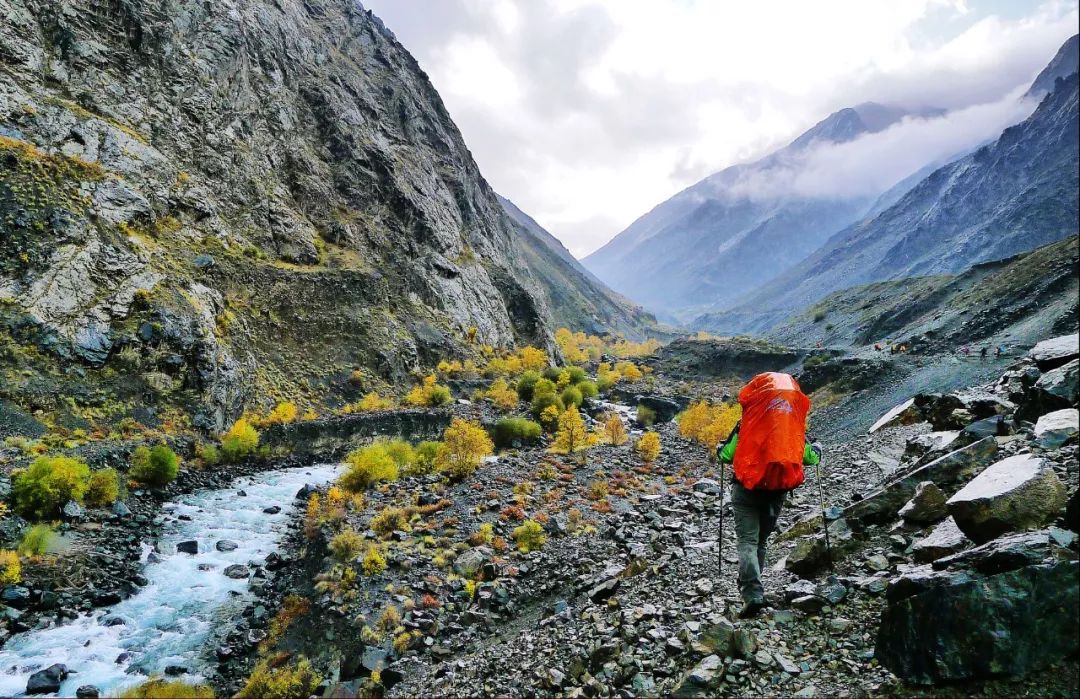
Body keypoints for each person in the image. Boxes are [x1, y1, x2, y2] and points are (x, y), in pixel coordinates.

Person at [718, 373, 821, 618]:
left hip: (745, 491)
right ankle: (756, 589)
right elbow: (809, 458)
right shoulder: (791, 425)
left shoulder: (748, 423)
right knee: (761, 543)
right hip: (776, 493)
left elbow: (726, 455)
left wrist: (720, 448)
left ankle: (752, 593)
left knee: (747, 542)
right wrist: (817, 449)